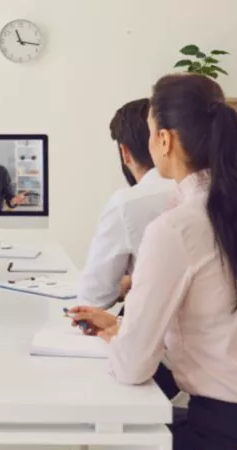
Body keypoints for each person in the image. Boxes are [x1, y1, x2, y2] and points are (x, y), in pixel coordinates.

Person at [68, 74, 237, 450]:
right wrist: (119, 329)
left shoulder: (174, 229)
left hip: (218, 434)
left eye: (149, 131)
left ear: (164, 140)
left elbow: (132, 368)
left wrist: (122, 338)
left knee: (102, 433)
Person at [77, 98, 175, 310]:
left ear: (125, 152)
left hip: (156, 333)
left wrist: (124, 284)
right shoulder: (204, 189)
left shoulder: (128, 203)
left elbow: (93, 297)